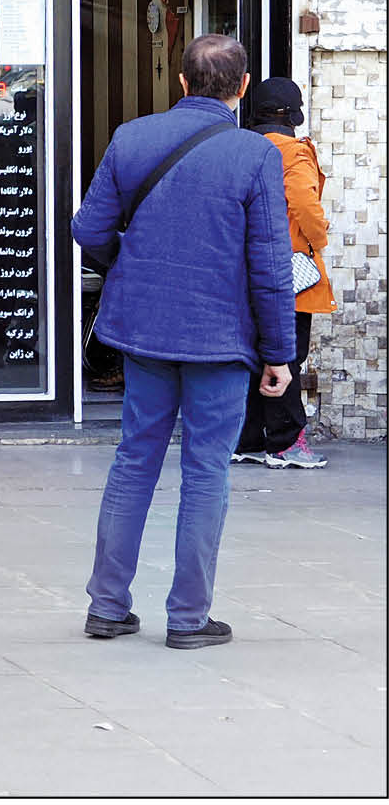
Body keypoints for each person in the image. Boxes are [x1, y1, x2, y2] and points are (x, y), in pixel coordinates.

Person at [76, 34, 296, 651]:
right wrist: (279, 353)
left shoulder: (132, 137)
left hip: (144, 333)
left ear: (180, 82)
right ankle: (189, 618)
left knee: (133, 460)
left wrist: (132, 265)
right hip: (221, 341)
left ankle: (107, 606)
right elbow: (270, 264)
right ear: (243, 87)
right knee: (205, 472)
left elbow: (89, 229)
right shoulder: (255, 154)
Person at [232, 78, 334, 470]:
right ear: (293, 113)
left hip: (245, 270)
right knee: (287, 356)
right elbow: (306, 206)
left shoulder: (239, 147)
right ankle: (286, 441)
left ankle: (247, 438)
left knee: (255, 354)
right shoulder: (293, 152)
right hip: (290, 271)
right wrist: (320, 236)